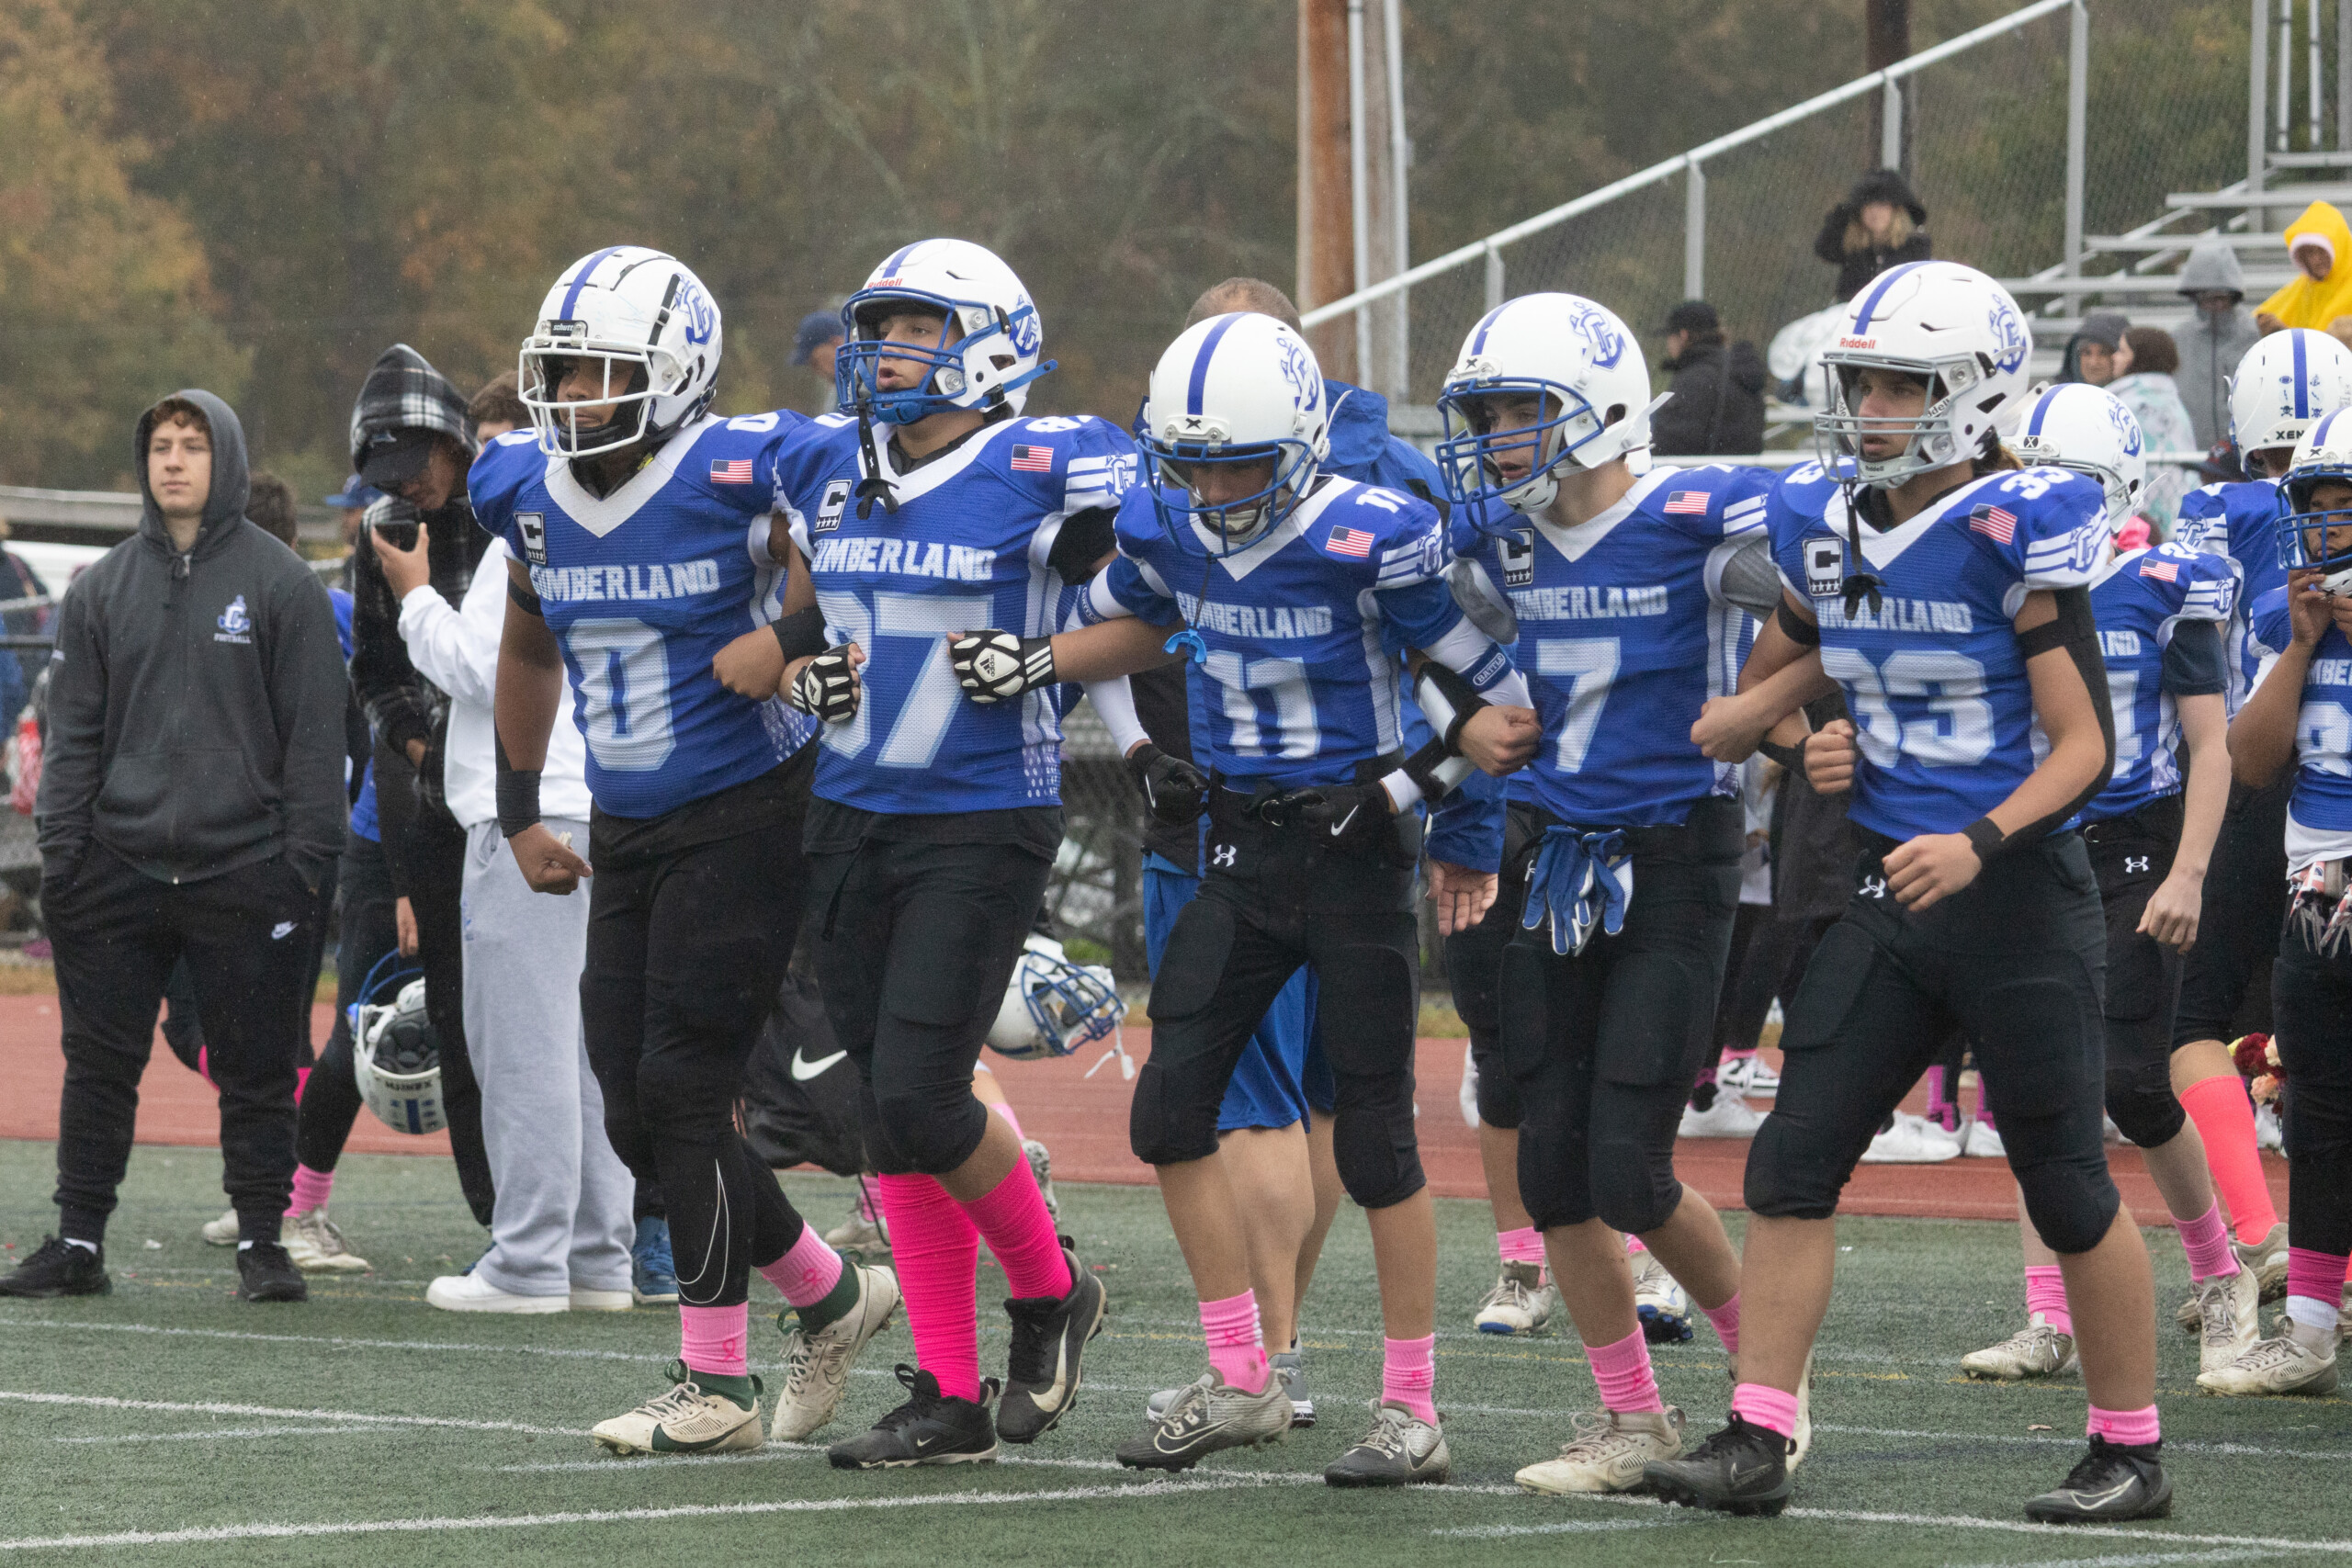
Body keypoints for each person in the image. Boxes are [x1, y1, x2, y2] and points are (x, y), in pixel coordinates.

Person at [1657, 261, 2172, 1523]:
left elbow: (2084, 747)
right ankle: (1759, 1431)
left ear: (1974, 392)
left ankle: (2132, 1448)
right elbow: (1782, 676)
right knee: (1791, 1160)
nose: (1874, 405)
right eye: (1863, 380)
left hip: (2015, 890)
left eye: (1904, 383)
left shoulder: (2020, 522)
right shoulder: (1825, 521)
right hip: (1898, 891)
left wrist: (1978, 840)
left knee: (2064, 1179)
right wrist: (1799, 742)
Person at [1033, 310, 1536, 1484]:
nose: (1213, 485)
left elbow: (1501, 701)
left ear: (1304, 441)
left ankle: (1411, 1409)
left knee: (1373, 1146)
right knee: (1166, 1117)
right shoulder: (1164, 517)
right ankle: (1243, 1376)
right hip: (1236, 852)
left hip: (1353, 850)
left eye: (1238, 460)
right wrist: (1054, 656)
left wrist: (1413, 785)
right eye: (1192, 460)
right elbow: (1110, 610)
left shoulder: (1374, 537)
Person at [485, 245, 897, 1454]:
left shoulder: (735, 465)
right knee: (635, 1104)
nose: (573, 393)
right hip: (626, 820)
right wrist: (518, 806)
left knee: (682, 1082)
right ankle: (828, 1289)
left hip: (748, 803)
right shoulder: (527, 490)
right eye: (561, 369)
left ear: (672, 373)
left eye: (601, 370)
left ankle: (712, 1378)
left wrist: (791, 631)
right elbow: (526, 646)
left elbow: (857, 546)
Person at [749, 238, 1118, 1469]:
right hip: (852, 810)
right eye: (881, 327)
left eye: (915, 328)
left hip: (979, 813)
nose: (884, 350)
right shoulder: (827, 464)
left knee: (918, 1090)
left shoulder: (1048, 463)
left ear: (990, 341)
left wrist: (1049, 661)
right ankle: (951, 1392)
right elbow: (789, 627)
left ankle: (1051, 1286)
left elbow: (1162, 611)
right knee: (878, 1112)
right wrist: (802, 670)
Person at [1432, 290, 1774, 1495]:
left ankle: (1769, 1401)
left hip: (1676, 857)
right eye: (1486, 412)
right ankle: (1633, 1414)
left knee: (1632, 1164)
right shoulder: (1502, 537)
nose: (1498, 435)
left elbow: (1843, 592)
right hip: (1549, 856)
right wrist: (1467, 720)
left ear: (1601, 404)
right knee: (1551, 1168)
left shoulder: (1698, 514)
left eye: (1520, 409)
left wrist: (1768, 708)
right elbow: (1428, 642)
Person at [0, 389, 344, 1305]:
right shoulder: (103, 587)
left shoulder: (283, 585)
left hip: (248, 870)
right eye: (161, 446)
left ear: (223, 456)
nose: (175, 461)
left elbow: (317, 738)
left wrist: (306, 866)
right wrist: (63, 860)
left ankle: (264, 1245)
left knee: (259, 1067)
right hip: (117, 868)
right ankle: (77, 1241)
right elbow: (72, 735)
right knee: (99, 1064)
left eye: (193, 445)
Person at [1956, 383, 2256, 1385]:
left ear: (2116, 488)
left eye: (2068, 484)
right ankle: (2047, 1313)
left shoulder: (2164, 581)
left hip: (2137, 838)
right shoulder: (1998, 581)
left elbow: (2210, 747)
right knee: (2032, 1080)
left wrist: (2190, 872)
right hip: (2036, 841)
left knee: (2129, 1078)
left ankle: (2220, 1276)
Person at [379, 480, 635, 1313]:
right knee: (583, 1045)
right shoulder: (625, 516)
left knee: (524, 1046)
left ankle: (528, 1259)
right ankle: (599, 1254)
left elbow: (481, 665)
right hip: (599, 803)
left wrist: (414, 595)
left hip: (524, 811)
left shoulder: (530, 529)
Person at [2166, 330, 2352, 1317]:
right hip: (2299, 772)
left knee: (2198, 1021)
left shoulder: (2214, 509)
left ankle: (2257, 1240)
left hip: (2260, 772)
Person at [2209, 412, 2352, 1394]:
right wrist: (2299, 650)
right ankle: (2306, 1326)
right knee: (2320, 1118)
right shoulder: (2296, 619)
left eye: (2348, 505)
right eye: (2317, 503)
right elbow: (2251, 760)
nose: (2328, 525)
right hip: (2317, 896)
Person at [344, 345, 496, 1237]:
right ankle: (498, 1216)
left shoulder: (512, 509)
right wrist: (424, 748)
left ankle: (630, 1212)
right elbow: (374, 668)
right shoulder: (383, 528)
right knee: (454, 1007)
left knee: (567, 1010)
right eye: (392, 474)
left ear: (456, 442)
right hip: (431, 799)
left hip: (531, 792)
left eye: (422, 466)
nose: (414, 488)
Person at [2108, 327, 2198, 537]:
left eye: (2122, 351)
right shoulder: (2172, 401)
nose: (2114, 357)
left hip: (2138, 523)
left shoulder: (2127, 405)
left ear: (2139, 358)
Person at [2177, 239, 2263, 452]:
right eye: (2205, 297)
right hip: (2193, 458)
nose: (2213, 305)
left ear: (2234, 296)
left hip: (2247, 456)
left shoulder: (2256, 336)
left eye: (2220, 297)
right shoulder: (2179, 339)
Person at [1650, 301, 1767, 457]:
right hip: (1741, 473)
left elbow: (1673, 441)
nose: (1668, 344)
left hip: (1707, 476)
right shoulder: (1737, 371)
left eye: (1670, 336)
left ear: (1683, 335)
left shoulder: (1696, 378)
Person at [1812, 169, 1932, 303]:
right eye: (1868, 206)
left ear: (1896, 210)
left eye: (1882, 205)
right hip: (1853, 313)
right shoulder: (1853, 246)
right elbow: (1824, 250)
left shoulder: (1914, 246)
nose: (1874, 212)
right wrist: (1841, 216)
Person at [2256, 199, 2352, 337]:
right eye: (2310, 252)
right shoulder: (2305, 285)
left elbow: (2331, 346)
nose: (2316, 259)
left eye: (2322, 251)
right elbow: (2262, 314)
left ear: (2339, 247)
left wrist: (2285, 334)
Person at [793, 309, 845, 413]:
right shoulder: (844, 389)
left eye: (815, 361)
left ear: (837, 342)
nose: (815, 369)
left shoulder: (868, 382)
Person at [2061, 310, 2132, 388]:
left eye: (2103, 353)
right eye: (2087, 353)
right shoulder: (2058, 396)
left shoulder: (2137, 397)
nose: (2093, 363)